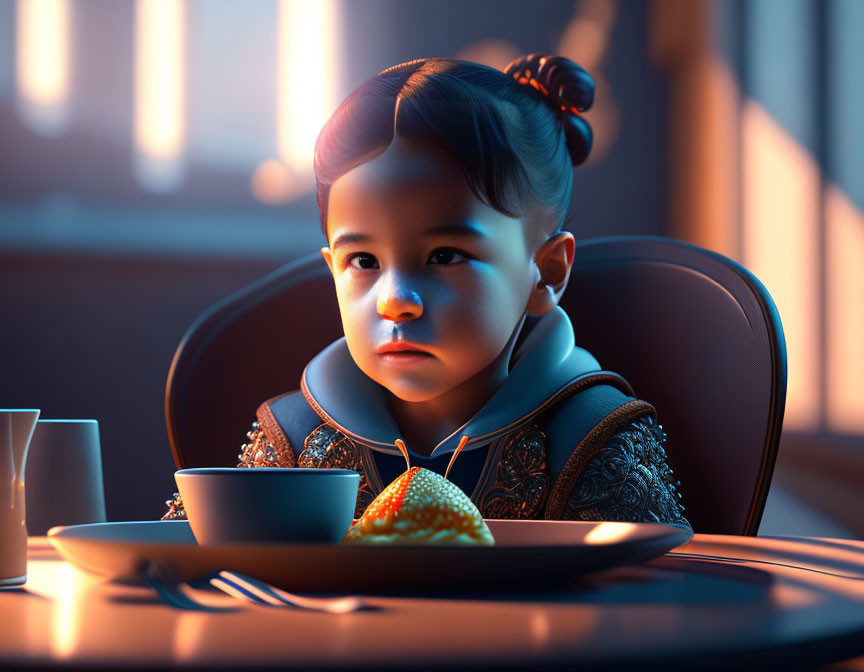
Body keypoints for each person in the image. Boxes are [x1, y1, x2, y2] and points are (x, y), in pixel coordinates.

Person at [163, 54, 690, 529]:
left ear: (548, 270)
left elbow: (659, 602)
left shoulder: (588, 435)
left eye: (444, 257)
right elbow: (188, 567)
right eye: (363, 261)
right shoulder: (295, 438)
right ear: (331, 270)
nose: (396, 300)